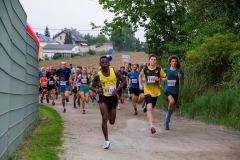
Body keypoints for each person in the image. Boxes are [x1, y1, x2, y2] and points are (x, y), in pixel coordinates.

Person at [92, 56, 126, 149]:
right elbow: (92, 87)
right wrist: (97, 91)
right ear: (100, 64)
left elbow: (124, 80)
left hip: (113, 99)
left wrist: (118, 89)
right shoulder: (98, 75)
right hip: (103, 98)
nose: (104, 64)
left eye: (106, 63)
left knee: (112, 122)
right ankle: (107, 141)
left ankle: (108, 119)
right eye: (102, 63)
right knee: (104, 118)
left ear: (109, 63)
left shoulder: (114, 72)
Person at [139, 54, 167, 134]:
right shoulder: (145, 69)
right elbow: (140, 76)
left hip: (156, 91)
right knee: (150, 108)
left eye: (155, 59)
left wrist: (159, 79)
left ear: (156, 61)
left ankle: (146, 106)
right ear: (149, 60)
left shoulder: (159, 69)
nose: (153, 61)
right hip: (147, 91)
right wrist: (140, 85)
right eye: (152, 59)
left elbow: (166, 78)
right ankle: (151, 126)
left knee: (152, 107)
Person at [163, 55, 184, 130]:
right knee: (171, 101)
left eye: (175, 61)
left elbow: (182, 83)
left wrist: (180, 78)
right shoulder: (165, 70)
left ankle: (167, 119)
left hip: (175, 91)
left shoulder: (179, 71)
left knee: (172, 108)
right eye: (172, 61)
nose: (174, 62)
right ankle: (167, 121)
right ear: (170, 62)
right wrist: (164, 79)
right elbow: (160, 78)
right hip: (167, 89)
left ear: (177, 62)